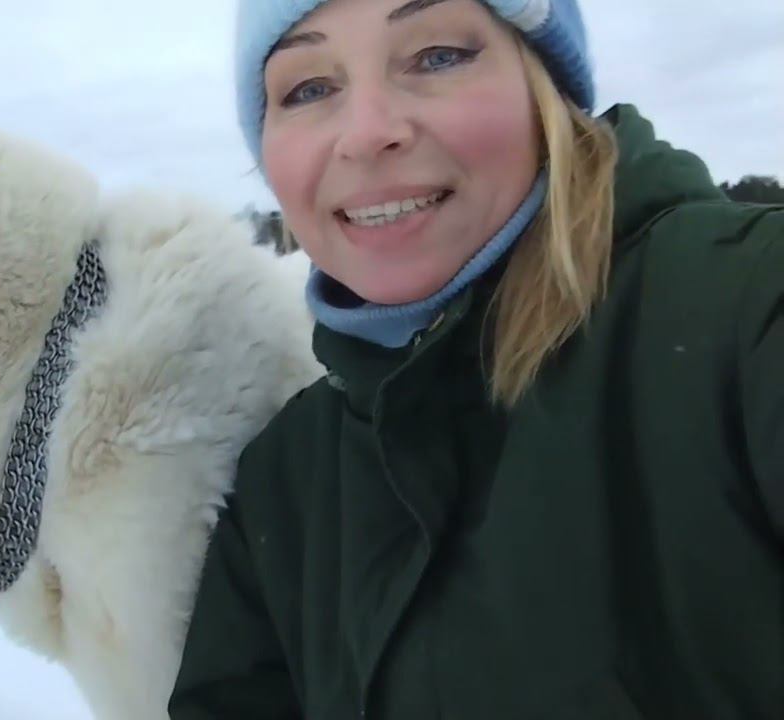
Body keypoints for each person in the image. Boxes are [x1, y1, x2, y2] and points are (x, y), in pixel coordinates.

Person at [167, 0, 783, 717]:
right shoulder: (285, 484)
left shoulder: (742, 312)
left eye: (437, 56)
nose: (367, 134)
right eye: (309, 89)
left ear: (543, 85)